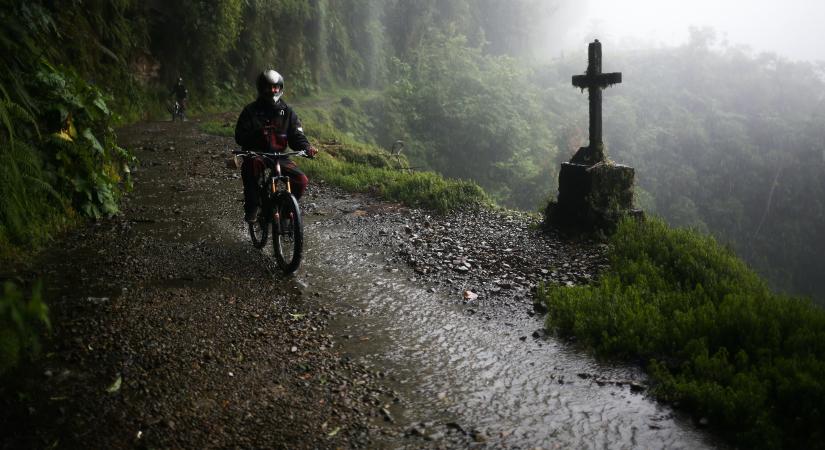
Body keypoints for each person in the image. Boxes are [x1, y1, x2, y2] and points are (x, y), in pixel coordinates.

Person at [234, 69, 318, 223]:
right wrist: (257, 134)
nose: (273, 90)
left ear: (280, 88)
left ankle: (286, 211)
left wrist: (306, 147)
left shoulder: (287, 112)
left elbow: (296, 136)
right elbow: (239, 136)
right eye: (269, 87)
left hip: (280, 156)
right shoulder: (250, 111)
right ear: (261, 88)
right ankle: (252, 206)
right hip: (257, 154)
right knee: (250, 169)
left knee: (301, 180)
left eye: (276, 87)